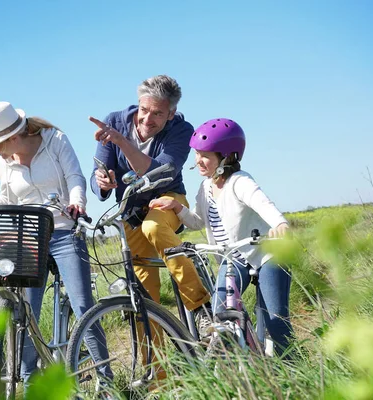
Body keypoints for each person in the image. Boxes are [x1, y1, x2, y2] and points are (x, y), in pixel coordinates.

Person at [0, 101, 112, 387]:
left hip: (63, 230)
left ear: (13, 137)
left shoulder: (55, 141)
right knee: (25, 314)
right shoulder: (4, 163)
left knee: (83, 304)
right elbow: (8, 200)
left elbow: (74, 176)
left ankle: (106, 381)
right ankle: (29, 384)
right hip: (29, 238)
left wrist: (77, 202)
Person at [149, 118, 294, 355]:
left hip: (266, 253)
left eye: (205, 155)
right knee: (221, 314)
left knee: (276, 323)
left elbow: (263, 203)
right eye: (197, 154)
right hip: (234, 258)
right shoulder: (205, 188)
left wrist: (280, 223)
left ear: (226, 157)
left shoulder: (240, 182)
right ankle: (246, 362)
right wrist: (176, 206)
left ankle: (293, 369)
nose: (198, 160)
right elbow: (197, 221)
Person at [90, 75, 212, 326]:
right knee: (145, 301)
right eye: (144, 110)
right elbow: (97, 173)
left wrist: (122, 142)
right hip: (131, 209)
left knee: (153, 226)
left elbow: (160, 171)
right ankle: (156, 365)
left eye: (157, 113)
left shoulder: (182, 130)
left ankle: (201, 307)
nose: (147, 119)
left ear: (171, 113)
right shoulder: (114, 121)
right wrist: (102, 181)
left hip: (169, 198)